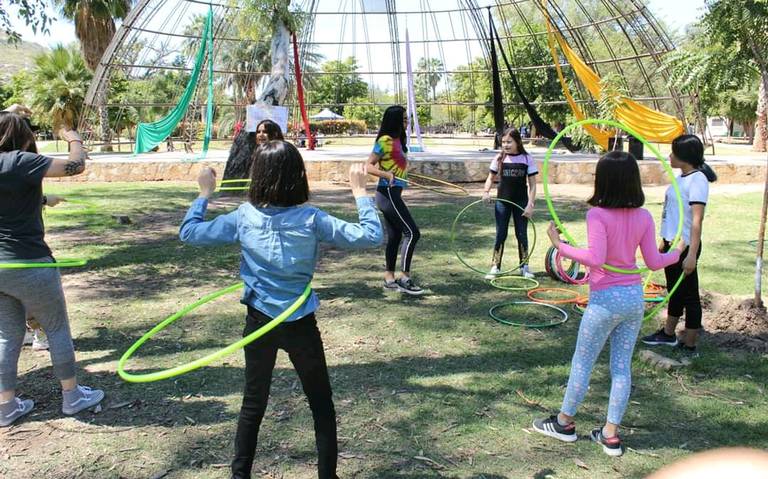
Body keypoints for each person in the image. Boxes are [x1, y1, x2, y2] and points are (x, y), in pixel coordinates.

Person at [178, 141, 382, 479]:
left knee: (253, 403)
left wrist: (204, 194)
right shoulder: (312, 218)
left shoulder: (245, 217)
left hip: (260, 321)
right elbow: (371, 235)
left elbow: (189, 232)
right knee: (320, 404)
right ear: (298, 177)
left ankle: (239, 475)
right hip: (299, 324)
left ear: (257, 177)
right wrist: (360, 192)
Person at [532, 151, 684, 456]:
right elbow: (654, 261)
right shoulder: (643, 216)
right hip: (632, 299)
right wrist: (678, 253)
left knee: (583, 361)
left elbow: (597, 258)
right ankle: (610, 435)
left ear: (603, 182)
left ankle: (564, 423)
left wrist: (559, 246)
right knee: (621, 367)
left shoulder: (597, 215)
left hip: (604, 302)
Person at [0, 106, 105, 427]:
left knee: (7, 335)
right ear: (23, 136)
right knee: (56, 327)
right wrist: (74, 139)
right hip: (28, 260)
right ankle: (72, 397)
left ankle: (6, 407)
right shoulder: (19, 160)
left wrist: (44, 200)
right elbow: (75, 166)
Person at [642, 135, 717, 355]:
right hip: (671, 245)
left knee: (689, 295)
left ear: (684, 156)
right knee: (674, 291)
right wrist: (663, 239)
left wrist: (692, 254)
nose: (669, 156)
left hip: (684, 247)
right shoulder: (682, 177)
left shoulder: (697, 180)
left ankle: (690, 343)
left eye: (673, 152)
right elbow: (672, 213)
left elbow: (696, 220)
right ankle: (668, 334)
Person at [366, 105, 425, 295]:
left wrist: (405, 177)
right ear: (395, 120)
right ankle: (405, 278)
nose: (407, 122)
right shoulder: (385, 140)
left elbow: (399, 165)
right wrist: (386, 174)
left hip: (394, 193)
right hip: (386, 193)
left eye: (407, 118)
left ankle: (389, 278)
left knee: (395, 236)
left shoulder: (400, 140)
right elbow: (368, 166)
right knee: (412, 233)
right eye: (404, 119)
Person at [482, 127, 537, 280]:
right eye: (503, 142)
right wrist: (486, 192)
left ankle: (524, 266)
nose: (505, 145)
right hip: (502, 202)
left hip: (521, 202)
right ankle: (495, 266)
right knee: (501, 234)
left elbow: (533, 185)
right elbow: (490, 178)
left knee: (521, 234)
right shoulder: (499, 158)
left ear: (518, 141)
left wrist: (530, 204)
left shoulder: (527, 159)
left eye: (509, 142)